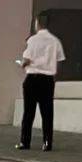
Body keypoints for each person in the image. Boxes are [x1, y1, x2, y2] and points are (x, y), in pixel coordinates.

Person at [17, 12, 65, 151]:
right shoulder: (56, 41)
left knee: (28, 112)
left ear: (37, 23)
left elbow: (27, 59)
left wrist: (22, 64)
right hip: (47, 80)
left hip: (32, 78)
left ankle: (25, 142)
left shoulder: (32, 40)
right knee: (47, 112)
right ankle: (47, 143)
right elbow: (60, 60)